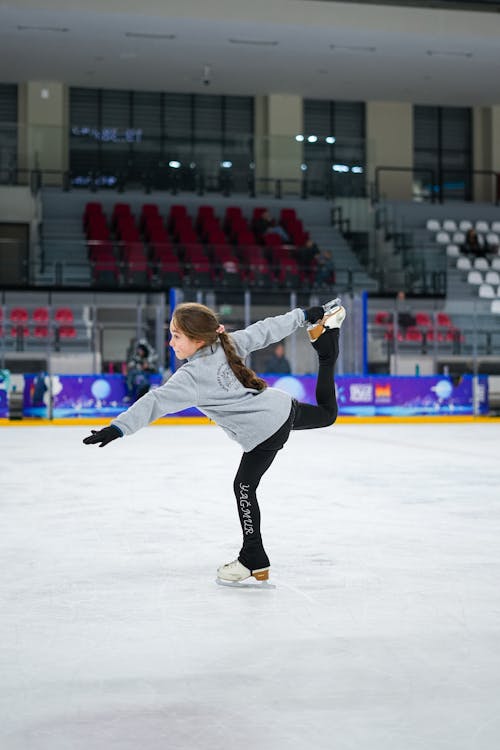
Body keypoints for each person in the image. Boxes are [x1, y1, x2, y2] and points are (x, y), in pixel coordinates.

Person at [83, 298, 346, 585]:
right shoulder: (226, 344)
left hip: (264, 431)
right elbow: (267, 329)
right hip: (280, 408)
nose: (170, 343)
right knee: (327, 414)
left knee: (244, 487)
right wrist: (306, 315)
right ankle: (327, 342)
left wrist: (118, 428)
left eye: (176, 336)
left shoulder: (191, 377)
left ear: (197, 339)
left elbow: (154, 401)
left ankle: (253, 557)